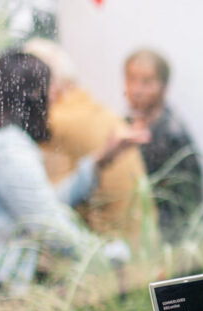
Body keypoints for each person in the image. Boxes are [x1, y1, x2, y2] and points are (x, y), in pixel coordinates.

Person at [0, 52, 143, 295]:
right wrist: (105, 257)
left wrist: (100, 160)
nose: (56, 96)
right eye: (50, 87)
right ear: (33, 93)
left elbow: (41, 204)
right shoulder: (5, 148)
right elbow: (48, 224)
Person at [23, 38, 152, 244]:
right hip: (142, 246)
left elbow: (40, 208)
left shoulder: (53, 122)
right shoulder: (92, 108)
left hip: (109, 258)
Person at [124, 48, 203, 242]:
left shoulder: (173, 135)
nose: (137, 90)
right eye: (131, 79)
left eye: (146, 82)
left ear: (164, 86)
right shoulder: (124, 127)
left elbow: (191, 200)